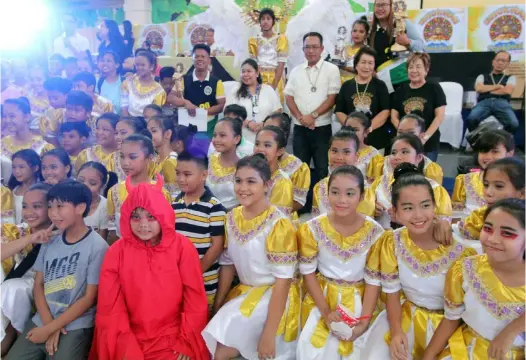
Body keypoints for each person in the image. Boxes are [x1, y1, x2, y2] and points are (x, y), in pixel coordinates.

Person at [361, 166, 476, 360]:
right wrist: (397, 331)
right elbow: (392, 293)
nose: (418, 215)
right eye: (407, 208)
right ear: (394, 212)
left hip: (448, 326)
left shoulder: (460, 249)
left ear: (434, 206)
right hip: (405, 316)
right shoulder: (392, 242)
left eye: (425, 205)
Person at [90, 176, 209, 360]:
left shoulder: (182, 247)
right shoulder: (116, 252)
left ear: (163, 215)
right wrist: (126, 349)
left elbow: (194, 300)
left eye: (151, 216)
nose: (143, 224)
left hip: (174, 341)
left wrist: (185, 343)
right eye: (135, 217)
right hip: (129, 339)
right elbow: (111, 309)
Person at [202, 154, 300, 360]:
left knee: (221, 351)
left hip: (273, 297)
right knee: (211, 339)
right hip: (245, 294)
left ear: (267, 185)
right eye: (238, 180)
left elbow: (283, 282)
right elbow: (228, 264)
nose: (242, 187)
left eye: (251, 181)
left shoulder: (278, 224)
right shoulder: (232, 217)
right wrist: (218, 304)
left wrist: (268, 333)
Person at [5, 180, 108, 360]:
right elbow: (39, 285)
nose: (53, 213)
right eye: (51, 207)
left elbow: (89, 298)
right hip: (44, 318)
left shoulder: (98, 247)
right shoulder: (50, 240)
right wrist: (48, 326)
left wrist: (50, 329)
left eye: (60, 206)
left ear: (80, 207)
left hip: (76, 324)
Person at [296, 165, 385, 359]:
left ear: (361, 197)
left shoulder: (375, 232)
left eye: (350, 193)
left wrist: (363, 321)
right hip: (322, 296)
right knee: (314, 350)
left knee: (359, 349)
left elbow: (373, 281)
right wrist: (327, 312)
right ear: (327, 194)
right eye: (335, 192)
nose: (342, 200)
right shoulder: (312, 228)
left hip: (361, 299)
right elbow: (308, 274)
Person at [423, 199, 525, 360]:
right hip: (465, 350)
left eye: (507, 233)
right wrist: (428, 355)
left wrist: (512, 330)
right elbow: (451, 319)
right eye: (488, 228)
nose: (493, 239)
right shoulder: (465, 269)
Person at [0, 183, 52, 356]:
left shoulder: (61, 233)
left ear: (50, 207)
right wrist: (30, 238)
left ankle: (19, 335)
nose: (29, 212)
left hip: (46, 284)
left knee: (12, 288)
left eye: (37, 206)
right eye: (25, 206)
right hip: (19, 280)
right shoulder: (19, 231)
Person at [173, 151, 226, 312]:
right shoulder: (173, 203)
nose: (181, 179)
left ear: (203, 175)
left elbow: (217, 246)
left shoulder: (214, 207)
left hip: (203, 281)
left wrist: (194, 273)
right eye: (177, 173)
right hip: (176, 279)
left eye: (187, 174)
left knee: (198, 323)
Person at [285, 32, 341, 182]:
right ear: (303, 49)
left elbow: (332, 98)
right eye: (307, 47)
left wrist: (313, 116)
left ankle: (320, 203)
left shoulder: (331, 69)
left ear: (322, 48)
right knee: (300, 169)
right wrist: (301, 118)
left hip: (322, 127)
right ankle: (301, 204)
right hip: (299, 127)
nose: (311, 51)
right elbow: (289, 97)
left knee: (323, 168)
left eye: (315, 47)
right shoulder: (296, 71)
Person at [363, 135, 452, 229]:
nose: (397, 157)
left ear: (419, 157)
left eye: (404, 152)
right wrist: (372, 208)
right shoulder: (379, 183)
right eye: (393, 153)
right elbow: (362, 214)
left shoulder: (434, 189)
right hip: (381, 241)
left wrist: (405, 220)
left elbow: (443, 228)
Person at [106, 134, 171, 244]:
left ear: (149, 158)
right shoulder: (114, 192)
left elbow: (166, 231)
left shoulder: (162, 193)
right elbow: (113, 232)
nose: (125, 163)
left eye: (132, 157)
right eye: (122, 156)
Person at [391, 52, 446, 162]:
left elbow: (439, 116)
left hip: (428, 144)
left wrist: (424, 138)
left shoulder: (434, 87)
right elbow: (394, 116)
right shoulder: (401, 89)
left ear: (426, 69)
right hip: (405, 144)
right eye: (411, 67)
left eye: (418, 67)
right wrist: (403, 134)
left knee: (426, 175)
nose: (414, 70)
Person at [335, 47, 391, 150]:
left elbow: (385, 111)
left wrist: (367, 129)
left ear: (374, 66)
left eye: (370, 63)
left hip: (376, 140)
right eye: (363, 62)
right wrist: (352, 128)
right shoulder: (346, 86)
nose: (366, 66)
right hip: (350, 140)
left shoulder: (380, 85)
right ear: (356, 64)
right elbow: (339, 111)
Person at [456, 157, 525, 241]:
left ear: (522, 193)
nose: (488, 192)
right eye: (486, 185)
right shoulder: (478, 217)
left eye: (499, 186)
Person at [168, 44, 226, 139]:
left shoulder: (216, 82)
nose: (200, 59)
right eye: (197, 56)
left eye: (203, 56)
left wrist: (202, 112)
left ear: (209, 60)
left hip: (209, 125)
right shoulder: (183, 79)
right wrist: (186, 102)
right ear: (192, 59)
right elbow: (170, 98)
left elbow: (221, 106)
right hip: (186, 124)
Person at [452, 130, 514, 215]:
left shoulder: (518, 182)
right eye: (484, 151)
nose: (488, 157)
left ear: (509, 154)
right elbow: (456, 213)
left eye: (495, 152)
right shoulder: (466, 180)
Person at [312, 129, 372, 217]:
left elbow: (363, 224)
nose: (339, 157)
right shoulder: (319, 187)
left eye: (346, 152)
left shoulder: (365, 190)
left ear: (356, 156)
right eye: (334, 151)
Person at [225, 58, 282, 144]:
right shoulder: (235, 90)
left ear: (257, 73)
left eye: (249, 71)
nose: (245, 74)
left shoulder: (268, 89)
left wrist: (265, 124)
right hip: (242, 138)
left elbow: (278, 111)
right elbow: (229, 113)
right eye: (243, 71)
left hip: (266, 136)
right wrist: (247, 123)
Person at [263, 113, 310, 212]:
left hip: (282, 220)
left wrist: (268, 214)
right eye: (264, 129)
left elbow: (298, 202)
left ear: (284, 134)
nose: (266, 134)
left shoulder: (297, 167)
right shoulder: (252, 161)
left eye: (272, 129)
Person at [466, 51, 519, 133]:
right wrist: (498, 86)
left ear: (508, 64)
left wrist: (487, 90)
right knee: (471, 119)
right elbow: (479, 89)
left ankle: (502, 140)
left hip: (502, 102)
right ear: (493, 62)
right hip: (484, 102)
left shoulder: (510, 77)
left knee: (513, 124)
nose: (500, 63)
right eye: (498, 60)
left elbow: (507, 91)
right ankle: (476, 140)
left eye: (504, 61)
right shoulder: (482, 76)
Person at [368, 0, 424, 68]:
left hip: (403, 75)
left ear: (391, 6)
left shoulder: (403, 23)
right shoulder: (370, 30)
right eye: (377, 5)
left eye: (383, 5)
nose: (380, 8)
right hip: (380, 76)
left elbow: (421, 46)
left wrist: (408, 42)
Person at [249, 8, 288, 102]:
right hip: (259, 79)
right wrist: (258, 83)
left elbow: (281, 64)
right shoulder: (253, 40)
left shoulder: (281, 39)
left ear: (273, 21)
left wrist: (273, 86)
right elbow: (253, 65)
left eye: (268, 18)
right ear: (259, 22)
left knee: (275, 109)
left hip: (276, 79)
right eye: (262, 19)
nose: (265, 21)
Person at [254, 127, 295, 217]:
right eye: (257, 144)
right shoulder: (249, 173)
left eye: (267, 145)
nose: (260, 149)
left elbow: (277, 219)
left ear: (280, 151)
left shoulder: (282, 181)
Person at [394, 113, 444, 184]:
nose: (404, 137)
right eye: (400, 132)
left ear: (421, 136)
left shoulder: (431, 170)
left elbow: (435, 193)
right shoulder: (384, 164)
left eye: (411, 132)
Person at [206, 117, 243, 211]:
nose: (217, 139)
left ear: (237, 139)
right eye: (214, 135)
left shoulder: (243, 168)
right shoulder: (209, 160)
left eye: (222, 135)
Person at [77, 161, 115, 240]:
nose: (85, 185)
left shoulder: (105, 206)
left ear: (102, 186)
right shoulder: (69, 201)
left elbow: (101, 242)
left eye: (92, 183)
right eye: (81, 181)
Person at [121, 50, 166, 117]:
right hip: (129, 122)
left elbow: (155, 116)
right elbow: (124, 107)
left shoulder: (159, 91)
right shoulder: (128, 83)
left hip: (148, 124)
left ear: (152, 66)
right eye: (137, 65)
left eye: (143, 65)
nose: (139, 68)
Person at [343, 112, 384, 183]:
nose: (350, 132)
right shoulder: (338, 150)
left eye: (355, 130)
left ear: (366, 132)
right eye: (347, 128)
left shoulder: (373, 155)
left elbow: (376, 183)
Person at [106, 116, 152, 182]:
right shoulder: (111, 158)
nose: (118, 137)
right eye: (116, 133)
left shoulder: (150, 157)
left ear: (137, 134)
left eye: (123, 133)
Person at [147, 115, 180, 198]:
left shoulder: (171, 161)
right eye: (148, 132)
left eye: (154, 131)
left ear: (168, 134)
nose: (149, 135)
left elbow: (175, 195)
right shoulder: (155, 159)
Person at [7, 149, 41, 224]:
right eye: (14, 167)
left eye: (21, 167)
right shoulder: (12, 191)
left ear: (35, 168)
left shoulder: (42, 191)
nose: (17, 171)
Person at [340, 16, 370, 82]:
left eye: (361, 32)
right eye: (354, 31)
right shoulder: (344, 49)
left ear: (366, 35)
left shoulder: (367, 51)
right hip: (341, 85)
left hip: (357, 86)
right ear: (351, 32)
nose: (357, 34)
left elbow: (364, 70)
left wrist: (343, 67)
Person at [27, 66, 50, 133]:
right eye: (32, 79)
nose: (35, 83)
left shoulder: (54, 99)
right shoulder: (27, 96)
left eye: (39, 79)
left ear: (47, 79)